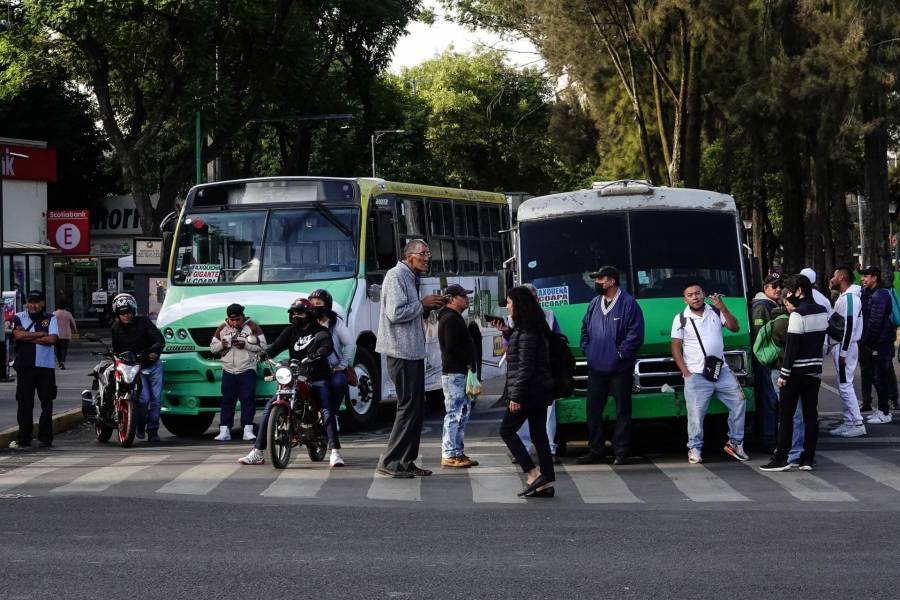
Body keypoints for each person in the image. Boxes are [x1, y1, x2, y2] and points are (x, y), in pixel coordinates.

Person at [374, 239, 445, 478]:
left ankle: (406, 460)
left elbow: (410, 311)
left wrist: (427, 308)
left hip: (412, 351)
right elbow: (395, 313)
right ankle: (391, 460)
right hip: (400, 351)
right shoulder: (396, 276)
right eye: (423, 254)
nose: (427, 258)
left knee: (416, 408)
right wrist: (421, 304)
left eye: (428, 254)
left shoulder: (411, 277)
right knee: (407, 407)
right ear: (409, 255)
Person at [238, 298, 333, 465]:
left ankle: (335, 451)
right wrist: (264, 354)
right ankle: (258, 452)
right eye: (293, 313)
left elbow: (326, 344)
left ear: (309, 314)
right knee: (269, 408)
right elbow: (276, 346)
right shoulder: (290, 332)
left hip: (317, 377)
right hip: (295, 376)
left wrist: (321, 352)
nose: (296, 316)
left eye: (300, 312)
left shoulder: (319, 331)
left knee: (326, 409)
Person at [671, 283, 748, 464]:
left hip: (721, 370)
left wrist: (723, 308)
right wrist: (685, 371)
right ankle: (695, 448)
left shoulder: (715, 311)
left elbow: (734, 327)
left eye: (697, 293)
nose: (695, 297)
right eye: (690, 295)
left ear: (703, 294)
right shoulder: (681, 318)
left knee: (739, 401)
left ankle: (735, 443)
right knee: (696, 414)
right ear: (685, 299)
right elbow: (675, 347)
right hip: (695, 375)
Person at [577, 266, 644, 466]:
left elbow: (635, 333)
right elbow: (585, 329)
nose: (596, 282)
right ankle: (595, 449)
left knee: (622, 410)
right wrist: (587, 350)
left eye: (600, 279)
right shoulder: (593, 304)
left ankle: (621, 450)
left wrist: (620, 354)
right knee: (593, 410)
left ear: (612, 281)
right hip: (596, 368)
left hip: (619, 369)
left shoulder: (629, 303)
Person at [760, 275, 829, 471]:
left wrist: (784, 375)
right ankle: (808, 458)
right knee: (810, 416)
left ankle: (781, 458)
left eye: (789, 291)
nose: (787, 294)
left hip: (796, 372)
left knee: (786, 416)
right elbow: (833, 334)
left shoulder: (798, 314)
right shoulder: (822, 310)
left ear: (799, 291)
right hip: (814, 371)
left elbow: (792, 348)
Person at [498, 286, 556, 498]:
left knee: (507, 430)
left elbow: (525, 368)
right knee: (539, 434)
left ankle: (533, 474)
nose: (507, 307)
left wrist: (516, 396)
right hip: (539, 391)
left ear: (519, 305)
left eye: (510, 303)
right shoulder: (530, 328)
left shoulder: (528, 332)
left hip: (529, 392)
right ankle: (546, 481)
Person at [512, 283, 561, 464]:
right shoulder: (514, 318)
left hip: (542, 374)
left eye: (535, 297)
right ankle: (524, 449)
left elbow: (557, 341)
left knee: (547, 414)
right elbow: (509, 345)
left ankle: (549, 449)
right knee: (521, 416)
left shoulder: (548, 315)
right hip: (522, 376)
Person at [110, 293, 165, 442]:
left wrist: (153, 352)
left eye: (128, 312)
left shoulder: (144, 322)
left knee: (156, 401)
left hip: (153, 366)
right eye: (122, 313)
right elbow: (116, 350)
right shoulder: (115, 328)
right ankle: (139, 425)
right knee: (143, 399)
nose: (126, 315)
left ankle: (153, 431)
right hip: (134, 368)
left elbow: (159, 340)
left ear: (133, 310)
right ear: (117, 314)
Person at [309, 288, 354, 467]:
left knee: (338, 383)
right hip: (312, 369)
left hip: (333, 369)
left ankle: (332, 415)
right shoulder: (306, 322)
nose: (314, 308)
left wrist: (341, 365)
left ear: (326, 306)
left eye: (318, 304)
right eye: (311, 304)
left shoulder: (336, 323)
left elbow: (349, 343)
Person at [210, 303, 266, 442]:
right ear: (228, 318)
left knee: (247, 399)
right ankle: (224, 430)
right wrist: (222, 345)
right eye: (232, 320)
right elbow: (212, 348)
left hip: (247, 368)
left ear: (243, 316)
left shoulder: (253, 326)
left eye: (238, 319)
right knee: (227, 400)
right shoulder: (222, 328)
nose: (235, 322)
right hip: (228, 369)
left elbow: (263, 347)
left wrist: (245, 344)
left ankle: (248, 429)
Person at [437, 284, 479, 468]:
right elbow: (451, 346)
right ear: (452, 298)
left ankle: (458, 452)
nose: (467, 299)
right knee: (454, 414)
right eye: (463, 296)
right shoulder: (450, 319)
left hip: (459, 372)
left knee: (462, 413)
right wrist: (467, 360)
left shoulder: (453, 317)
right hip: (454, 373)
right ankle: (449, 453)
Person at [10, 290, 58, 449]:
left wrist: (28, 336)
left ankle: (45, 438)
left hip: (45, 367)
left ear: (43, 303)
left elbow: (52, 339)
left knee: (47, 403)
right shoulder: (19, 317)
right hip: (25, 367)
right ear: (27, 303)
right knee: (24, 404)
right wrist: (39, 335)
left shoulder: (51, 318)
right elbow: (18, 336)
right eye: (31, 302)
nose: (33, 305)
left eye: (37, 302)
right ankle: (24, 437)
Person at [826, 267, 866, 438]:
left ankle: (857, 423)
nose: (832, 279)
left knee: (845, 385)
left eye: (834, 276)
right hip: (843, 346)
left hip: (845, 347)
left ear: (841, 277)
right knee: (844, 384)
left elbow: (850, 327)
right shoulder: (846, 297)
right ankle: (849, 421)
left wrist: (843, 352)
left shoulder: (850, 298)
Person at [768, 290, 806, 466]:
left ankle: (791, 451)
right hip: (784, 372)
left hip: (790, 372)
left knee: (793, 413)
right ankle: (793, 452)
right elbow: (791, 349)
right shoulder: (784, 321)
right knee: (793, 414)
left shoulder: (793, 317)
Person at [859, 266, 897, 425]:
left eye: (866, 276)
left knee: (880, 377)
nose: (863, 279)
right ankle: (882, 410)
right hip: (877, 342)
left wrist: (867, 341)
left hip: (880, 343)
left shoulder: (879, 295)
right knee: (876, 377)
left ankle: (885, 412)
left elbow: (875, 322)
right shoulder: (871, 293)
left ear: (875, 278)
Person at [751, 273, 783, 448]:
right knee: (769, 399)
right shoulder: (762, 306)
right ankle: (768, 437)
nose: (778, 289)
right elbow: (760, 336)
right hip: (766, 360)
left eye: (780, 285)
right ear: (765, 288)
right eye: (774, 286)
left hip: (771, 359)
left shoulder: (771, 304)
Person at [53, 299, 77, 370]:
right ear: (65, 306)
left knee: (57, 350)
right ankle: (63, 361)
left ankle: (59, 361)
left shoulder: (54, 314)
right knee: (64, 349)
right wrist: (75, 330)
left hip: (56, 334)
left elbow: (50, 323)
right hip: (66, 335)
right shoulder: (68, 314)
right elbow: (73, 323)